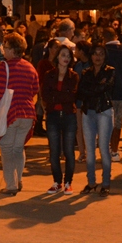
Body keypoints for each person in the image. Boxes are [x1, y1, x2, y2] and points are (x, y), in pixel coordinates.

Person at [0, 34, 39, 195]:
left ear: (12, 49)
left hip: (11, 113)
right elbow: (35, 90)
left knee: (7, 149)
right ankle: (18, 180)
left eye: (6, 47)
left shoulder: (4, 67)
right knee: (18, 148)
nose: (3, 49)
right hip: (28, 113)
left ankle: (11, 185)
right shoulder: (30, 67)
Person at [76, 43, 115, 196]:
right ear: (91, 56)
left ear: (105, 56)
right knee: (90, 150)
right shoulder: (86, 72)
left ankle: (106, 182)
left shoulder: (110, 72)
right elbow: (80, 92)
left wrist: (92, 89)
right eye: (95, 54)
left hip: (104, 111)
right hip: (88, 112)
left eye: (101, 54)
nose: (98, 57)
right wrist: (97, 87)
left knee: (104, 148)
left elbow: (104, 89)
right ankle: (91, 182)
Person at [40, 43, 79, 195]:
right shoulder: (49, 74)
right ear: (57, 57)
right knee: (54, 151)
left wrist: (56, 96)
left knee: (69, 151)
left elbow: (72, 96)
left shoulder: (74, 76)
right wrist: (60, 96)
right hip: (53, 116)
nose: (65, 58)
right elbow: (45, 96)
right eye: (63, 55)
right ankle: (57, 181)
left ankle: (68, 182)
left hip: (69, 116)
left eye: (68, 56)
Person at [103, 27, 122, 161]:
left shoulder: (102, 52)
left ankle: (106, 148)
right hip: (121, 92)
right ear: (116, 36)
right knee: (118, 122)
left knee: (105, 121)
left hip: (105, 92)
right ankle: (114, 150)